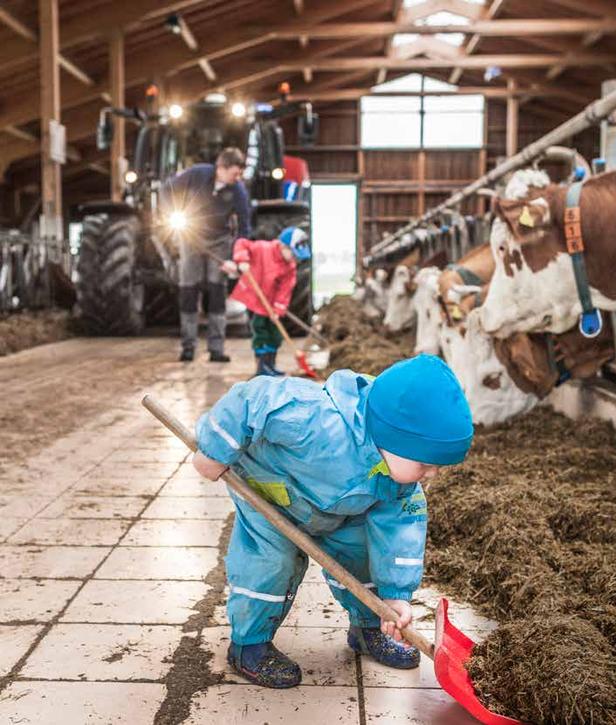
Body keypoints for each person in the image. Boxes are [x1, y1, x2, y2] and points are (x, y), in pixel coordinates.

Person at [190, 354, 474, 688]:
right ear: (393, 437)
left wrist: (396, 595)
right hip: (272, 495)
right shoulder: (314, 419)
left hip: (341, 510)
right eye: (425, 465)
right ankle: (249, 645)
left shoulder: (401, 484)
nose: (431, 475)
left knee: (364, 553)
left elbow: (400, 535)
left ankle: (369, 627)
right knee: (270, 565)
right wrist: (214, 449)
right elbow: (250, 400)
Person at [166, 147, 252, 363]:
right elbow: (167, 189)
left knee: (216, 292)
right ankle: (188, 347)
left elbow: (244, 227)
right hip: (191, 237)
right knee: (188, 290)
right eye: (234, 173)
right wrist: (172, 213)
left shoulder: (238, 191)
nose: (237, 177)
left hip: (219, 242)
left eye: (240, 173)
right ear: (221, 168)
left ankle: (216, 349)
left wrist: (237, 258)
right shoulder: (197, 174)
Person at [225, 227, 310, 377]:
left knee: (275, 334)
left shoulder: (290, 267)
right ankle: (261, 367)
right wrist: (243, 260)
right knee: (261, 332)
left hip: (269, 305)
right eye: (293, 254)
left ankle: (270, 365)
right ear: (283, 246)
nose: (295, 259)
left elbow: (285, 290)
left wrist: (278, 309)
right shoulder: (263, 248)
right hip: (254, 298)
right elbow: (242, 243)